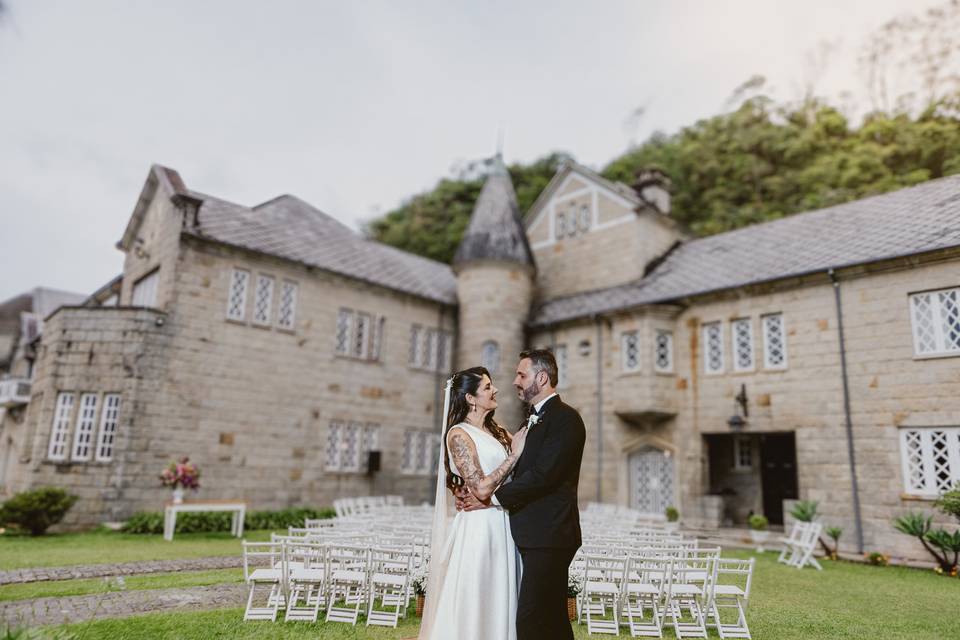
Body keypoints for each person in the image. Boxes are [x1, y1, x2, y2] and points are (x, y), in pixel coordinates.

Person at [457, 349, 586, 640]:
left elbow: (543, 477)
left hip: (550, 535)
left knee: (530, 621)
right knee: (552, 619)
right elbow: (515, 470)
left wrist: (489, 498)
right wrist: (473, 490)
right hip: (531, 535)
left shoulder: (566, 420)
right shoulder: (530, 420)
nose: (515, 381)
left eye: (521, 374)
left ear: (541, 378)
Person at [418, 367, 529, 640]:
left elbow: (496, 488)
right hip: (480, 529)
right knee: (479, 593)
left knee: (501, 594)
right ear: (470, 398)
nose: (495, 390)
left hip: (502, 523)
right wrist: (513, 457)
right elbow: (480, 487)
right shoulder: (458, 435)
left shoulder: (496, 431)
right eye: (488, 387)